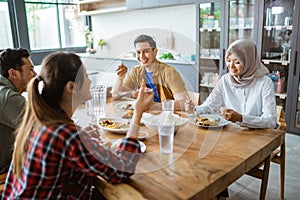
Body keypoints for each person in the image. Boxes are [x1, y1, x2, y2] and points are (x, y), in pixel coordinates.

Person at [1, 52, 154, 199]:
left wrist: (82, 138)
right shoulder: (66, 135)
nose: (90, 81)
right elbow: (121, 168)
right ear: (71, 87)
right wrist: (137, 113)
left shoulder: (41, 122)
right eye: (86, 77)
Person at [186, 39, 276, 129]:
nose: (231, 66)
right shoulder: (225, 80)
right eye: (228, 60)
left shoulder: (265, 83)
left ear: (249, 61)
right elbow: (210, 105)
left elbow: (270, 121)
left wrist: (242, 118)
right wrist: (194, 109)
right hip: (231, 133)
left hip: (257, 135)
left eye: (237, 62)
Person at [113, 34, 188, 110]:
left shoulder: (169, 73)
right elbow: (116, 94)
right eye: (138, 52)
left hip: (165, 117)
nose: (142, 56)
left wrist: (153, 106)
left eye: (146, 51)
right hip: (144, 115)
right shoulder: (136, 71)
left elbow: (184, 102)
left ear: (155, 52)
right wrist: (120, 78)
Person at [0, 48, 37, 174]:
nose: (35, 75)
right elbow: (44, 131)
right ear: (13, 73)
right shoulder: (9, 98)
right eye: (31, 70)